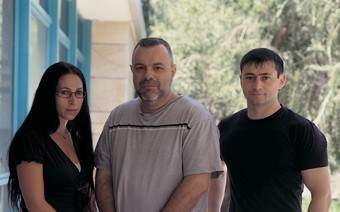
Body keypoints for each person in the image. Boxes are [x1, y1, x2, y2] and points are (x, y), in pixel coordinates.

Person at [94, 37, 225, 212]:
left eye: (157, 67)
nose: (148, 75)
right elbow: (103, 176)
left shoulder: (195, 118)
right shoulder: (117, 118)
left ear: (173, 71)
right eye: (140, 68)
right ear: (132, 71)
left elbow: (197, 183)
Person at [218, 48, 332, 212]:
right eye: (250, 77)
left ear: (281, 81)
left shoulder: (302, 131)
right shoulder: (227, 128)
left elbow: (322, 194)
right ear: (241, 80)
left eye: (265, 77)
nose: (257, 85)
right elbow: (222, 179)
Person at [8, 62, 95, 212]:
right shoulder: (30, 140)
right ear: (49, 94)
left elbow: (85, 192)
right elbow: (36, 205)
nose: (73, 101)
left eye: (78, 93)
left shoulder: (75, 137)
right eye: (65, 92)